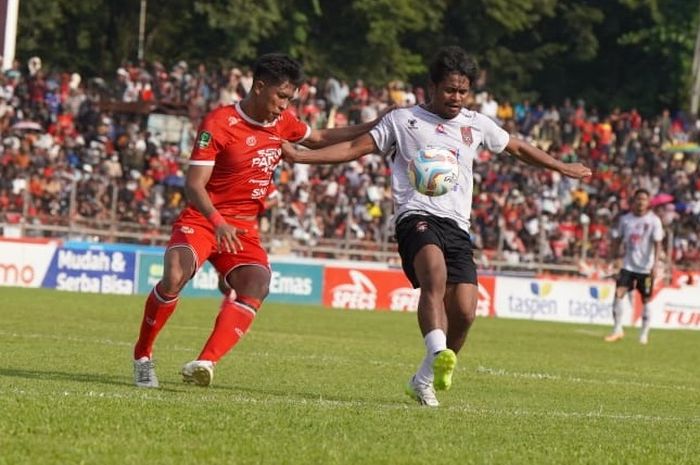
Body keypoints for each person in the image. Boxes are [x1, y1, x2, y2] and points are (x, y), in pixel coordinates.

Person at [282, 46, 592, 406]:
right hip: (415, 216)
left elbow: (518, 148)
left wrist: (562, 166)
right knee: (434, 277)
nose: (456, 98)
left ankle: (426, 376)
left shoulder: (475, 124)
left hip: (457, 224)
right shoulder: (402, 120)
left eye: (463, 91)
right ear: (432, 86)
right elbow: (354, 147)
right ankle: (438, 349)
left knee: (465, 312)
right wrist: (303, 157)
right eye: (449, 90)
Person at [133, 53, 390, 388]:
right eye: (281, 96)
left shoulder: (283, 122)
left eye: (290, 99)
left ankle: (204, 362)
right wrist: (217, 220)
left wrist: (377, 125)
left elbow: (319, 138)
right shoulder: (219, 122)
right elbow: (194, 184)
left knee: (258, 283)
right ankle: (142, 356)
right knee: (174, 277)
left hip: (243, 228)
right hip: (203, 219)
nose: (284, 105)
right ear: (259, 86)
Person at [604, 188, 664, 345]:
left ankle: (644, 334)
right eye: (638, 199)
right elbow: (617, 239)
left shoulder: (654, 221)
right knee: (619, 293)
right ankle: (617, 329)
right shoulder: (626, 220)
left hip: (646, 268)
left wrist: (656, 264)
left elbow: (658, 243)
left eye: (644, 199)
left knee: (646, 299)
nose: (641, 202)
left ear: (648, 202)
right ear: (634, 201)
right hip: (628, 266)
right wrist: (613, 258)